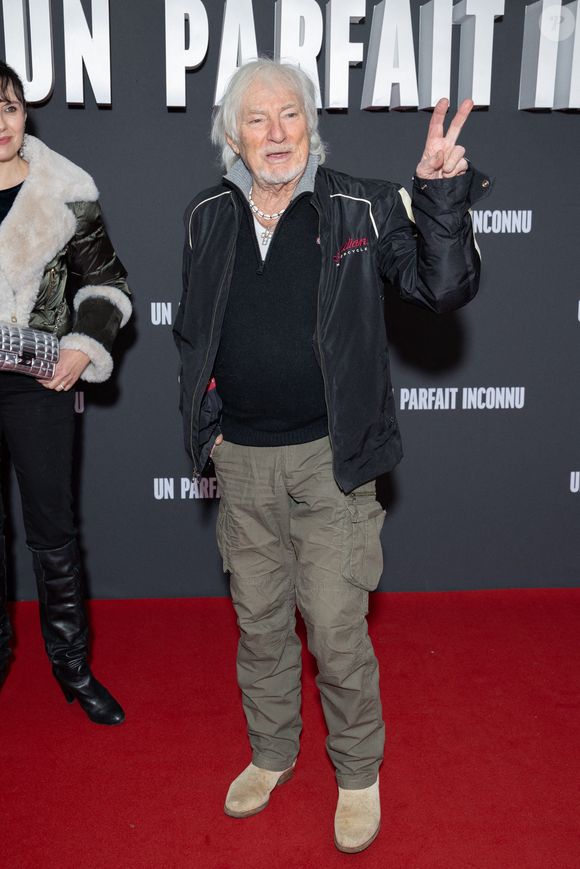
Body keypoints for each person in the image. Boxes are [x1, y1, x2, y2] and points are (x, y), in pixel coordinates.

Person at [174, 58, 491, 852]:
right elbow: (193, 332)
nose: (276, 133)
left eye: (290, 115)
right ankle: (274, 752)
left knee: (337, 626)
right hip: (241, 461)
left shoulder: (364, 203)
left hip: (331, 459)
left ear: (311, 122)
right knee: (259, 624)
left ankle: (357, 771)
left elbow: (440, 286)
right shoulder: (207, 214)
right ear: (232, 135)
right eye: (257, 119)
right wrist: (207, 425)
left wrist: (442, 195)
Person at [0, 61, 132, 725]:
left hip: (38, 383)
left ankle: (72, 666)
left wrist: (85, 344)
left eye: (10, 107)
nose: (0, 122)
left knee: (53, 528)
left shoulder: (66, 188)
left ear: (26, 114)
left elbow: (107, 284)